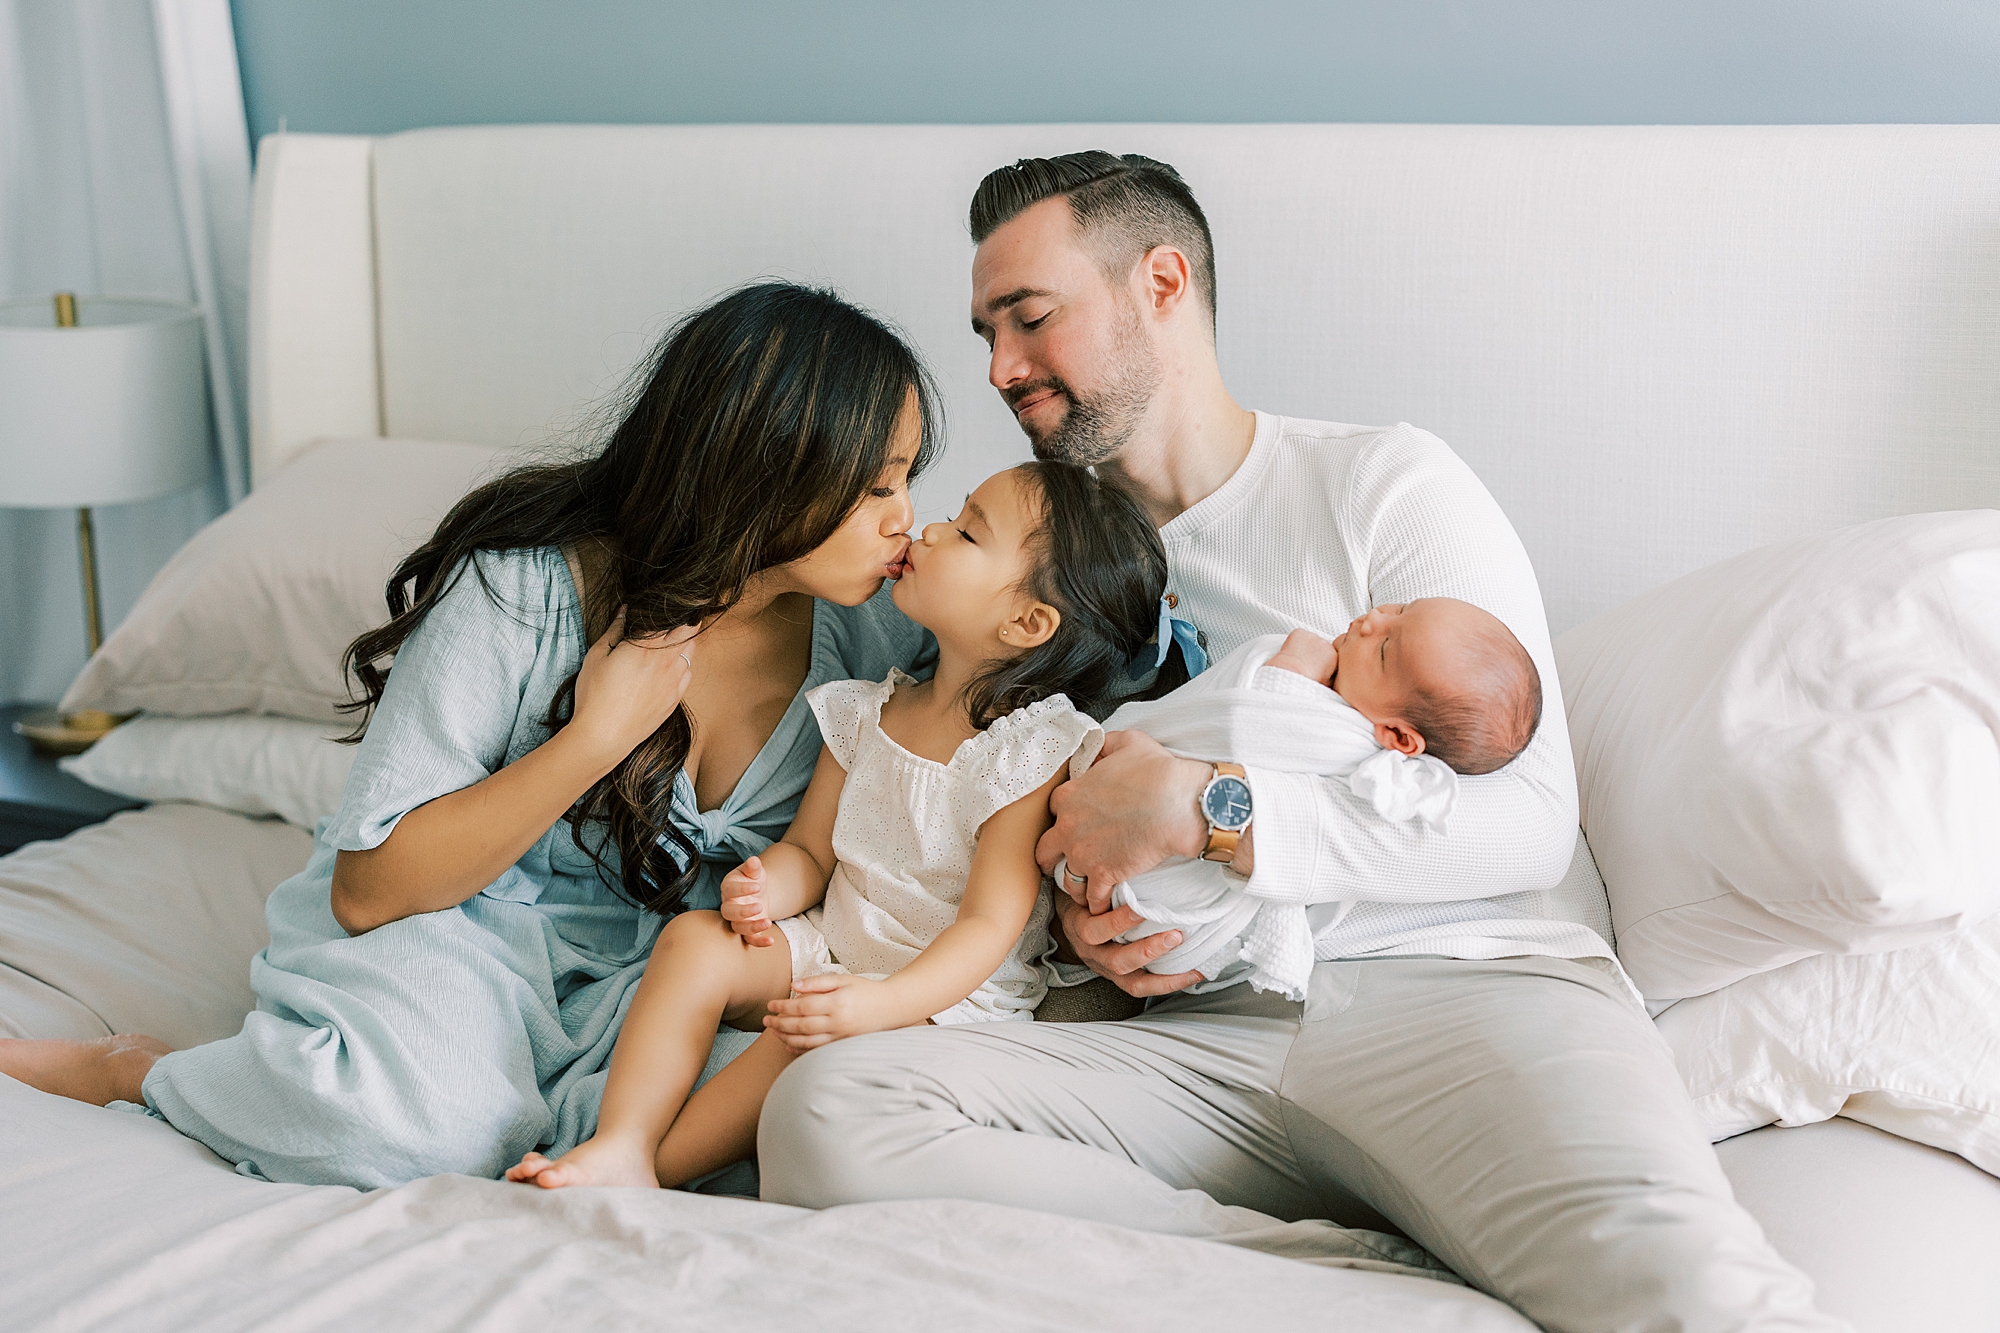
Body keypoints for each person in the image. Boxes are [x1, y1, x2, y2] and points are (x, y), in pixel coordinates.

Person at [756, 154, 1844, 1330]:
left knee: (1693, 1298)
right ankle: (1311, 1267)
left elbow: (1524, 822)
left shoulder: (1380, 484)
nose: (999, 368)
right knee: (827, 1112)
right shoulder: (1023, 566)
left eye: (1030, 319)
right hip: (1192, 1039)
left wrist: (1212, 815)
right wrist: (1079, 916)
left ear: (1161, 282)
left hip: (1451, 994)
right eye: (985, 331)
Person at [0, 282, 947, 1190]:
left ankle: (578, 1132)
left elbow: (1055, 665)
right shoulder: (521, 594)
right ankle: (141, 1072)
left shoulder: (875, 635)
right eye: (875, 485)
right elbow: (373, 889)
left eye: (909, 478)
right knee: (394, 1123)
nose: (904, 518)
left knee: (828, 1101)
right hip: (463, 935)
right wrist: (593, 738)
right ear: (766, 468)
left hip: (662, 984)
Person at [506, 462, 1165, 1191]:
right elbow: (810, 854)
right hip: (836, 942)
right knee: (695, 941)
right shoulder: (868, 709)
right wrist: (766, 888)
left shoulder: (1027, 751)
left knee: (803, 1045)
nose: (932, 527)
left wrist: (880, 1004)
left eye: (969, 530)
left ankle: (649, 1171)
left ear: (1026, 622)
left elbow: (987, 927)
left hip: (940, 1002)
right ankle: (621, 1135)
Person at [1084, 600, 1545, 1001]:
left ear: (1399, 737)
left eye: (1385, 649)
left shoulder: (1357, 749)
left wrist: (1292, 669)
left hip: (1164, 908)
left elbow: (1249, 734)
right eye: (1400, 609)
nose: (1371, 620)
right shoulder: (1353, 701)